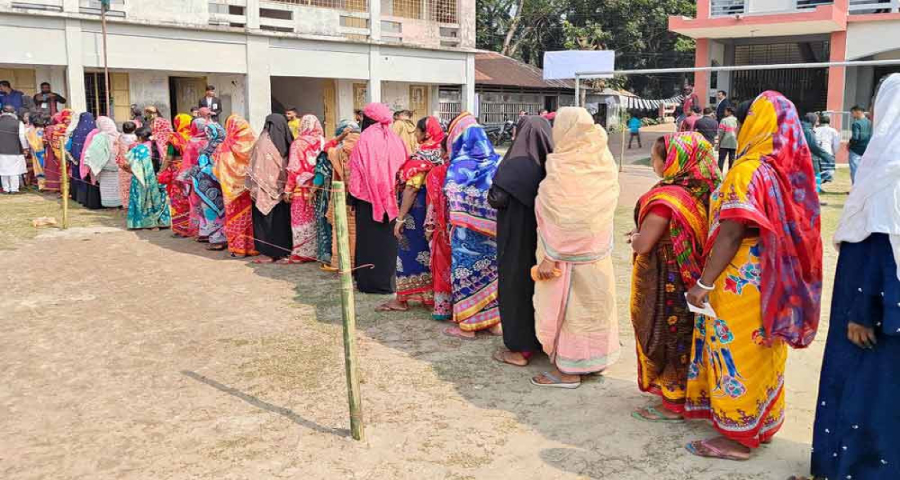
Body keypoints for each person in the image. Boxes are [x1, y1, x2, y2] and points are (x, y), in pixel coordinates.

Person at [684, 91, 822, 460]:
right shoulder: (784, 171)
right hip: (774, 277)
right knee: (764, 350)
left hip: (739, 279)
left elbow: (730, 234)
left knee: (736, 352)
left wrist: (703, 284)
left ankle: (737, 438)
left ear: (753, 125)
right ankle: (762, 422)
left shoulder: (747, 171)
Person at [805, 73, 900, 480]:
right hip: (883, 298)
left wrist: (863, 310)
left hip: (874, 305)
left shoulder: (889, 171)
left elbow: (882, 241)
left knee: (869, 393)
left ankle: (856, 469)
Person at [629, 132, 721, 420]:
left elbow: (644, 243)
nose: (653, 163)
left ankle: (673, 402)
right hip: (693, 276)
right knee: (688, 334)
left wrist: (634, 237)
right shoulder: (706, 191)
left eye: (656, 158)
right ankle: (691, 395)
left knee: (666, 335)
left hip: (666, 276)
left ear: (672, 162)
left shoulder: (667, 199)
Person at [530, 107, 620, 388]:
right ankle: (594, 361)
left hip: (561, 259)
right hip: (596, 255)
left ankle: (568, 372)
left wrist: (550, 256)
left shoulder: (562, 168)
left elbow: (564, 218)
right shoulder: (602, 163)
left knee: (572, 313)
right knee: (594, 307)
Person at [488, 115, 553, 366]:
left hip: (517, 238)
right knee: (543, 289)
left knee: (516, 287)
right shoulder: (555, 163)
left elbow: (496, 198)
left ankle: (520, 348)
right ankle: (543, 341)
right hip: (546, 243)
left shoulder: (515, 164)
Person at [441, 112, 503, 340]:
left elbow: (451, 197)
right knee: (492, 274)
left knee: (466, 274)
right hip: (494, 232)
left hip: (466, 233)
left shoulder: (459, 166)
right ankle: (494, 322)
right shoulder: (497, 162)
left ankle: (467, 325)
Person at [378, 116, 445, 312]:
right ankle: (430, 296)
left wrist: (400, 218)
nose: (415, 134)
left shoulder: (421, 158)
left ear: (426, 133)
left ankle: (402, 299)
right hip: (434, 214)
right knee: (431, 253)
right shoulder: (442, 155)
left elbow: (411, 189)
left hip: (416, 213)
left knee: (408, 253)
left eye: (417, 131)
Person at [349, 103, 408, 293]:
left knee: (369, 241)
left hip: (368, 201)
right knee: (389, 243)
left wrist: (353, 198)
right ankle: (389, 282)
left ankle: (369, 282)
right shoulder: (395, 139)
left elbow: (356, 172)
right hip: (394, 199)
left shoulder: (364, 139)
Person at [247, 114, 294, 263]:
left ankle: (268, 253)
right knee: (281, 220)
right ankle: (283, 251)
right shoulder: (288, 140)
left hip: (264, 188)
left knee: (266, 221)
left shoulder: (262, 142)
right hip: (284, 188)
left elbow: (254, 165)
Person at [213, 114, 258, 257]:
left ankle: (238, 249)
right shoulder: (254, 143)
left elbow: (216, 170)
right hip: (249, 187)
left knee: (235, 217)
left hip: (231, 190)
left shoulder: (224, 146)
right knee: (251, 217)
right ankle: (253, 247)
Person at [285, 114, 325, 263]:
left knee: (301, 219)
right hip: (319, 186)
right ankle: (317, 251)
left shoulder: (298, 143)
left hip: (301, 188)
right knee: (316, 218)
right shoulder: (322, 141)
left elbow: (294, 169)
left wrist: (288, 189)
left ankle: (302, 253)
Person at [325, 120, 361, 271]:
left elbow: (326, 147)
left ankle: (341, 263)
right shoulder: (364, 150)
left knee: (342, 229)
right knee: (357, 231)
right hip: (360, 199)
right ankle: (358, 263)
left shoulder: (338, 151)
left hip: (342, 198)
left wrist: (340, 137)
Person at [188, 117, 228, 250]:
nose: (207, 135)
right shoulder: (226, 144)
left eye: (208, 132)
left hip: (208, 185)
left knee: (211, 212)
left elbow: (203, 165)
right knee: (221, 211)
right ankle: (219, 236)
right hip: (222, 184)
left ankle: (217, 239)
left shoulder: (210, 147)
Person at [425, 137, 452, 320]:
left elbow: (434, 202)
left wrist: (429, 225)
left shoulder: (439, 172)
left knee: (442, 266)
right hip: (468, 229)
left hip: (444, 229)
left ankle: (443, 308)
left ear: (444, 151)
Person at [126, 126, 171, 230]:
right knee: (159, 199)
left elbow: (132, 165)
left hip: (142, 179)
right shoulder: (158, 145)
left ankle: (143, 223)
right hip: (158, 176)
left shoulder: (139, 149)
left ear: (140, 137)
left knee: (143, 199)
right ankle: (162, 222)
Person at [165, 113, 197, 237]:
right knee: (191, 199)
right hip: (191, 171)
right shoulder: (194, 136)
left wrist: (162, 171)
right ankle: (193, 227)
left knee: (178, 201)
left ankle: (181, 229)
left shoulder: (175, 137)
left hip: (178, 172)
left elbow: (169, 158)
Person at [82, 116, 122, 208]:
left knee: (106, 186)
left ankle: (108, 204)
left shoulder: (99, 136)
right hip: (117, 165)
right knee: (116, 185)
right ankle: (118, 203)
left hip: (105, 165)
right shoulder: (119, 135)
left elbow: (93, 151)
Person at [69, 112, 102, 209]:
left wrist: (75, 158)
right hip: (90, 159)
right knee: (88, 179)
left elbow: (73, 145)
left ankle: (78, 197)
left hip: (77, 158)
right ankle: (87, 199)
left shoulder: (76, 130)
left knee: (78, 176)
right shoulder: (96, 131)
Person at [42, 109, 72, 193]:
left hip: (68, 152)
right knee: (63, 169)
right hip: (61, 152)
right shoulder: (58, 127)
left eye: (70, 118)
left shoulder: (73, 126)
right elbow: (55, 141)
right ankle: (64, 190)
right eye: (66, 118)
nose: (68, 121)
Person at [802, 112, 832, 195]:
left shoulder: (804, 129)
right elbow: (814, 147)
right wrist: (827, 157)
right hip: (811, 159)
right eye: (817, 121)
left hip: (806, 159)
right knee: (815, 179)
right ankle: (814, 200)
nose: (818, 123)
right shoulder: (808, 131)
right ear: (812, 120)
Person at [0, 106, 28, 194]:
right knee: (14, 170)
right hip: (15, 150)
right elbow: (22, 137)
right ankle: (14, 189)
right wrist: (25, 148)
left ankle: (5, 189)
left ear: (2, 112)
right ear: (14, 112)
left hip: (1, 151)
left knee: (2, 170)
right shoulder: (18, 123)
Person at [847, 105, 872, 183]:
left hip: (856, 150)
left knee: (855, 169)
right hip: (867, 149)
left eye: (852, 113)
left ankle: (855, 188)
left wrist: (849, 144)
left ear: (858, 112)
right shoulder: (870, 123)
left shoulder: (856, 123)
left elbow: (855, 138)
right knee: (864, 170)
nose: (852, 115)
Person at [116, 121, 138, 209]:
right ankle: (133, 202)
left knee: (123, 184)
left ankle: (125, 203)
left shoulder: (120, 137)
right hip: (132, 164)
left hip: (122, 163)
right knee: (132, 183)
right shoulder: (135, 138)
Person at [814, 114, 840, 184]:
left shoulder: (815, 130)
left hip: (817, 153)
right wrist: (834, 152)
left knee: (818, 170)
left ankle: (819, 183)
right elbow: (836, 143)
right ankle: (823, 181)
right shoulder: (833, 131)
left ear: (820, 122)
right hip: (828, 152)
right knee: (828, 170)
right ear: (829, 122)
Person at [25, 114, 46, 191]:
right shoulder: (45, 130)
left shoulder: (31, 132)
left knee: (39, 168)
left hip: (37, 152)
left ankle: (41, 185)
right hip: (46, 152)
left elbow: (32, 144)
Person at [717, 106, 738, 171]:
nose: (724, 112)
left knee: (721, 160)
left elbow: (721, 132)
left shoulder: (724, 120)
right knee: (732, 160)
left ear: (729, 112)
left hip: (724, 143)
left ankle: (719, 174)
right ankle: (730, 174)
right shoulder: (737, 120)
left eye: (725, 111)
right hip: (734, 143)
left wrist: (719, 142)